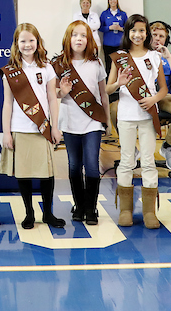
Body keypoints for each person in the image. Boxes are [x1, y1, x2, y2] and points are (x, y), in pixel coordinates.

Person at [1, 22, 64, 229]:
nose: (27, 45)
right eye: (23, 41)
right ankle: (29, 213)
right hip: (20, 129)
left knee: (47, 174)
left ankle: (48, 213)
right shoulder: (10, 71)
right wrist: (6, 133)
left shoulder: (47, 68)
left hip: (42, 128)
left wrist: (55, 126)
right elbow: (7, 103)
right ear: (16, 43)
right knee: (24, 174)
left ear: (38, 42)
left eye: (31, 40)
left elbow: (53, 99)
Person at [106, 14, 167, 228]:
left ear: (147, 33)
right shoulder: (119, 57)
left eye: (142, 30)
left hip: (148, 115)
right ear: (127, 33)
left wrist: (153, 99)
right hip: (126, 115)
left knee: (149, 160)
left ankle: (150, 211)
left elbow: (164, 89)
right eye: (133, 30)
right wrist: (119, 83)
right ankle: (125, 209)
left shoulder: (154, 56)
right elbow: (107, 88)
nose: (138, 34)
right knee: (127, 161)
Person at [53, 20, 107, 226]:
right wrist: (62, 92)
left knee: (92, 165)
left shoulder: (96, 63)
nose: (79, 39)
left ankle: (91, 208)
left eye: (83, 35)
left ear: (89, 39)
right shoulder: (58, 64)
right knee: (74, 166)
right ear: (68, 38)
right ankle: (79, 204)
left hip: (92, 122)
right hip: (68, 122)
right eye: (75, 35)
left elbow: (102, 92)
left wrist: (106, 121)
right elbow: (53, 93)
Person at [148, 20, 171, 173]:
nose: (157, 39)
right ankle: (131, 151)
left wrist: (168, 58)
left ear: (166, 40)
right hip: (142, 97)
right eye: (154, 35)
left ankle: (168, 146)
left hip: (164, 98)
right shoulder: (139, 56)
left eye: (161, 36)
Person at [99, 0, 127, 73]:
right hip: (108, 44)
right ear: (108, 2)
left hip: (120, 43)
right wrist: (109, 28)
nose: (112, 1)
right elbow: (100, 28)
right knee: (109, 65)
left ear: (117, 1)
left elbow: (128, 28)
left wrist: (120, 28)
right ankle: (109, 83)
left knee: (121, 64)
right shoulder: (104, 14)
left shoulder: (123, 14)